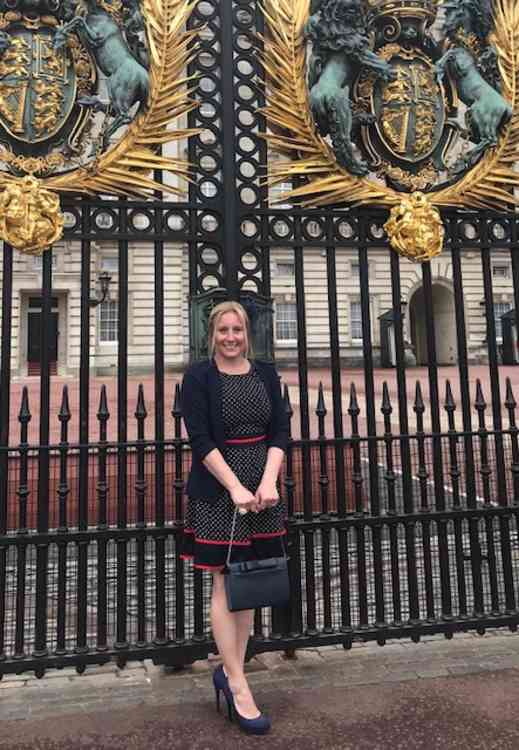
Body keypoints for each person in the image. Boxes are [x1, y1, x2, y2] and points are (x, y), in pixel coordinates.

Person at [180, 300, 288, 735]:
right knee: (226, 579)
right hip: (218, 489)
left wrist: (268, 481)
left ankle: (230, 670)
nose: (230, 337)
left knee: (248, 580)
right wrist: (235, 487)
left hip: (262, 490)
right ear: (212, 335)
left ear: (247, 333)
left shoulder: (265, 373)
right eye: (223, 330)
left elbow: (281, 429)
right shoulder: (198, 377)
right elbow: (200, 438)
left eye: (237, 330)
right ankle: (238, 683)